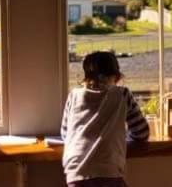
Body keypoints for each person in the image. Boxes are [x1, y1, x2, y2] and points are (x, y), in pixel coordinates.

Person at [61, 51, 150, 187]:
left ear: (85, 77)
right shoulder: (122, 94)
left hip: (76, 172)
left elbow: (65, 134)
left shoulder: (73, 95)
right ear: (117, 76)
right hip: (108, 171)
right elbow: (142, 133)